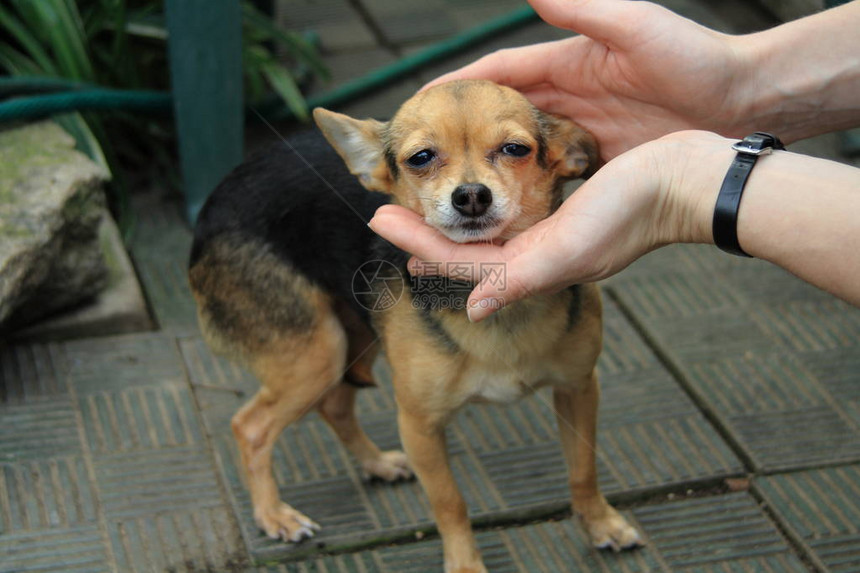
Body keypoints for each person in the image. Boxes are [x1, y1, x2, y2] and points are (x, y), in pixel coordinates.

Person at [367, 0, 860, 322]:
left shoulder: (572, 145)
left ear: (568, 157)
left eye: (513, 149)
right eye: (425, 157)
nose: (470, 188)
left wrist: (693, 172)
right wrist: (736, 88)